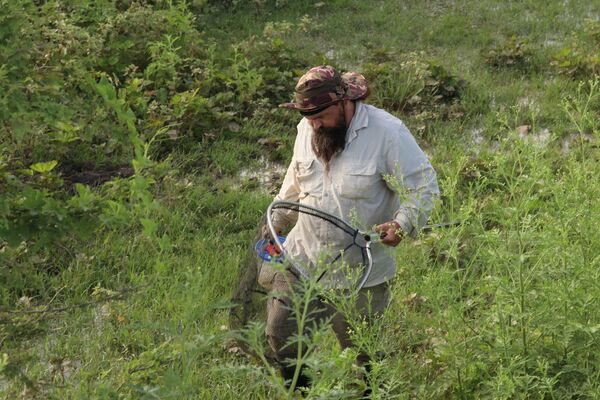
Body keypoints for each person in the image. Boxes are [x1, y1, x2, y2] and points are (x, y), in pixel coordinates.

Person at [258, 65, 439, 391]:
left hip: (359, 274)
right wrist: (277, 220)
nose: (313, 124)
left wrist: (402, 224)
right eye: (306, 117)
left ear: (344, 104)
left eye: (320, 116)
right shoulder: (307, 126)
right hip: (303, 259)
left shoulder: (387, 133)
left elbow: (423, 188)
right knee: (280, 336)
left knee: (363, 357)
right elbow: (294, 185)